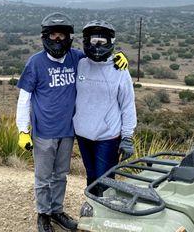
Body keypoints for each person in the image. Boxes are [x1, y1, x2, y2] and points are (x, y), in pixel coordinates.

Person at [16, 13, 129, 232]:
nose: (58, 40)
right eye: (53, 35)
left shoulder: (75, 58)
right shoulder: (35, 62)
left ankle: (57, 210)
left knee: (60, 175)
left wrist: (120, 56)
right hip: (44, 132)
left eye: (62, 35)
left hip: (68, 132)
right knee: (43, 177)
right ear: (46, 36)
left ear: (69, 37)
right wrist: (23, 130)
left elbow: (98, 59)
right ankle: (43, 214)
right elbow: (24, 97)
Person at [73, 20, 137, 196]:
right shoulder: (80, 64)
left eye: (102, 41)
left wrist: (127, 137)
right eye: (93, 41)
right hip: (83, 133)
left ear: (111, 42)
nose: (97, 46)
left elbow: (127, 105)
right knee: (91, 176)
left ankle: (107, 215)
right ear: (86, 41)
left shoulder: (119, 70)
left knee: (106, 180)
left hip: (108, 137)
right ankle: (93, 211)